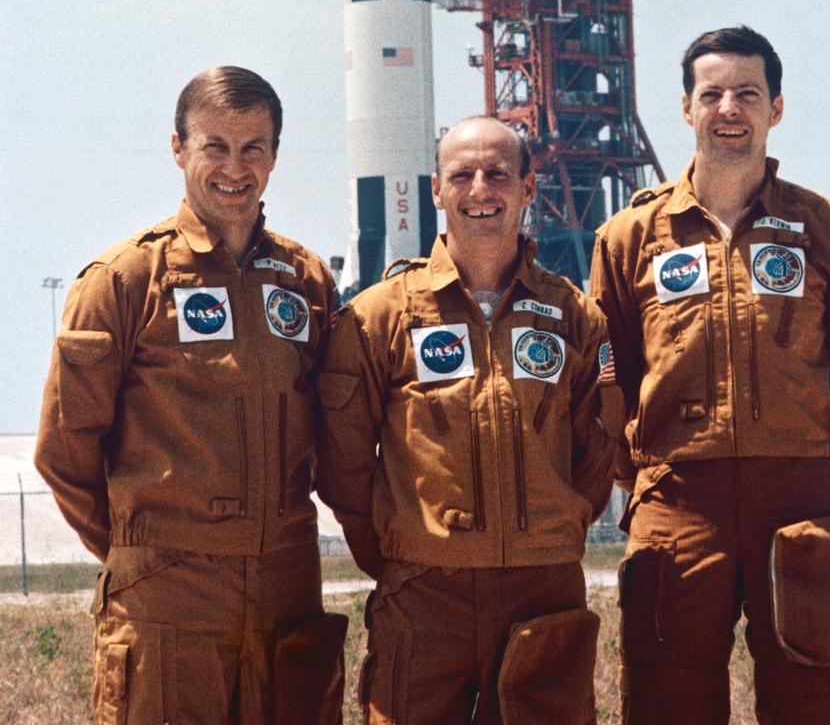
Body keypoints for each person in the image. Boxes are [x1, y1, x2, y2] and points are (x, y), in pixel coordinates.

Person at [35, 66, 346, 725]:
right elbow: (65, 451)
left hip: (286, 590)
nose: (235, 167)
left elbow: (338, 434)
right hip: (166, 602)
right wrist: (144, 550)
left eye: (253, 148)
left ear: (274, 156)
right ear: (178, 149)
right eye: (215, 146)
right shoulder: (125, 282)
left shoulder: (307, 281)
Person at [590, 26, 830, 725]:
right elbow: (605, 374)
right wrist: (647, 477)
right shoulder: (628, 237)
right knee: (665, 702)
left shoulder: (827, 228)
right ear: (684, 108)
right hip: (677, 503)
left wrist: (814, 458)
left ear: (774, 108)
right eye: (710, 93)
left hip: (801, 499)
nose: (728, 109)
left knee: (814, 697)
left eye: (746, 94)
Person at [316, 115, 622, 725]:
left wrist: (546, 530)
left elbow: (598, 447)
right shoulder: (380, 317)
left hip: (543, 592)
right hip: (426, 597)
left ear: (528, 189)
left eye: (498, 174)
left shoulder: (573, 317)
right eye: (462, 175)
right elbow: (344, 462)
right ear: (436, 190)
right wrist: (407, 548)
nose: (480, 189)